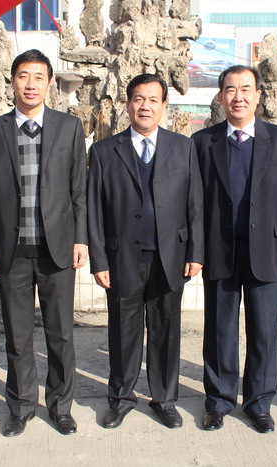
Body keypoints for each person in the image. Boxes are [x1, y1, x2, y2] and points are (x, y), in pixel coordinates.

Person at [0, 49, 87, 436]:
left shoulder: (69, 127)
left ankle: (60, 406)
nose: (31, 84)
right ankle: (21, 406)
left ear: (50, 83)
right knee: (18, 335)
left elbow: (79, 190)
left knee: (61, 335)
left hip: (57, 249)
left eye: (39, 77)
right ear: (12, 81)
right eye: (23, 76)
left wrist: (81, 239)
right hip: (12, 252)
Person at [192, 65, 277, 433]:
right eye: (230, 89)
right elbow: (195, 203)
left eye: (245, 89)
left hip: (267, 249)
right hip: (220, 250)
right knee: (219, 332)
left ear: (258, 95)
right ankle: (219, 401)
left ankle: (259, 403)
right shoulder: (203, 142)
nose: (237, 97)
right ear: (220, 96)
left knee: (264, 332)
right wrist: (195, 250)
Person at [87, 74, 204, 429]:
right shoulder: (105, 151)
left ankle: (164, 399)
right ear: (127, 104)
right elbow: (94, 210)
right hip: (122, 258)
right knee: (123, 332)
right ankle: (121, 398)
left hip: (170, 257)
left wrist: (196, 252)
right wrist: (98, 260)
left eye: (153, 100)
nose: (145, 106)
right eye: (138, 99)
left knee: (166, 331)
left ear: (164, 105)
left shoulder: (183, 147)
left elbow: (195, 203)